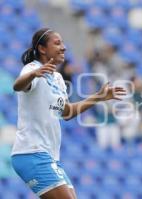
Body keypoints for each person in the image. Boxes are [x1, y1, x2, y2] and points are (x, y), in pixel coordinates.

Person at [11, 28, 126, 199]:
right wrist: (33, 74)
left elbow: (68, 112)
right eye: (57, 43)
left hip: (49, 156)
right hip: (31, 152)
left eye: (63, 43)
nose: (63, 47)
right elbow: (18, 86)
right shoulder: (33, 68)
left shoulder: (57, 78)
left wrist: (99, 97)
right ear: (42, 49)